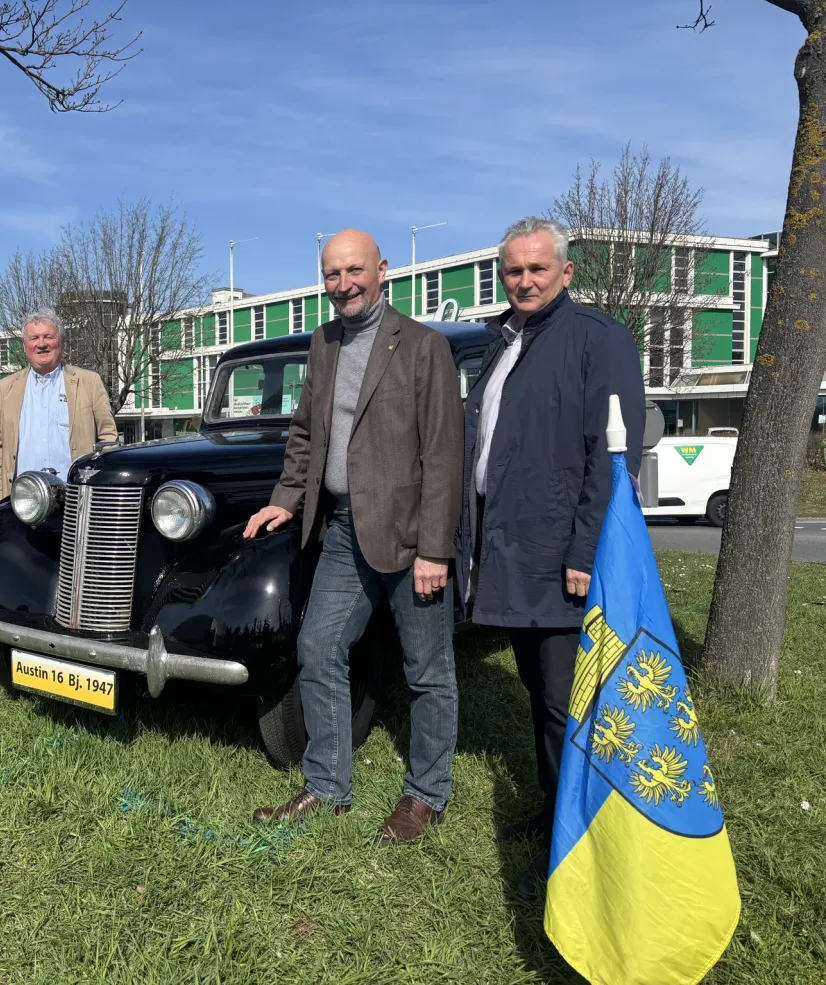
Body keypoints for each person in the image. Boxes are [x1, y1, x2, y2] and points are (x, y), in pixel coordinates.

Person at [244, 229, 463, 841]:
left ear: (382, 270)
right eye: (332, 275)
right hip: (342, 530)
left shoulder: (423, 347)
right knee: (318, 650)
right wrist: (285, 501)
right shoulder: (324, 344)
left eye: (354, 271)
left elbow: (445, 456)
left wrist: (435, 550)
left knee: (428, 671)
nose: (343, 285)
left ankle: (426, 794)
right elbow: (305, 434)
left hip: (412, 536)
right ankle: (326, 786)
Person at [455, 217, 645, 894]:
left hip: (562, 553)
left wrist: (586, 548)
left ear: (566, 272)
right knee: (540, 692)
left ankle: (589, 840)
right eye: (514, 270)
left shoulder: (598, 339)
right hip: (509, 548)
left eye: (538, 269)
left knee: (570, 702)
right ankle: (555, 810)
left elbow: (614, 456)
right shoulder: (500, 342)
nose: (525, 280)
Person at [0, 310, 117, 504]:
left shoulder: (89, 382)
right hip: (24, 500)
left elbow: (109, 441)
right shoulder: (6, 388)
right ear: (25, 346)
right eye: (34, 338)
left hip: (77, 497)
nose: (41, 344)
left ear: (62, 343)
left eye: (48, 337)